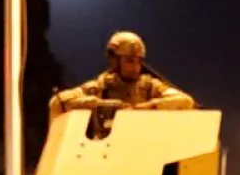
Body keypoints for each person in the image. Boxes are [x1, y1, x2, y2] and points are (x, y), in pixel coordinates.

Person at [48, 31, 195, 117]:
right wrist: (103, 105)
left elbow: (185, 101)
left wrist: (149, 106)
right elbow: (58, 102)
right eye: (130, 61)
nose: (136, 67)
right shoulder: (100, 86)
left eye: (139, 61)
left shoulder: (151, 87)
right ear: (114, 61)